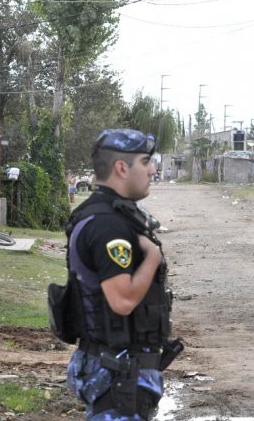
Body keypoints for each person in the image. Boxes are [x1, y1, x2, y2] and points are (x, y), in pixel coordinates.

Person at [64, 129, 181, 420]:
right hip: (117, 374)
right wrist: (152, 258)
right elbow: (123, 300)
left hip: (120, 370)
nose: (153, 170)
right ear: (121, 168)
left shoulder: (113, 215)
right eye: (145, 162)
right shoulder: (108, 225)